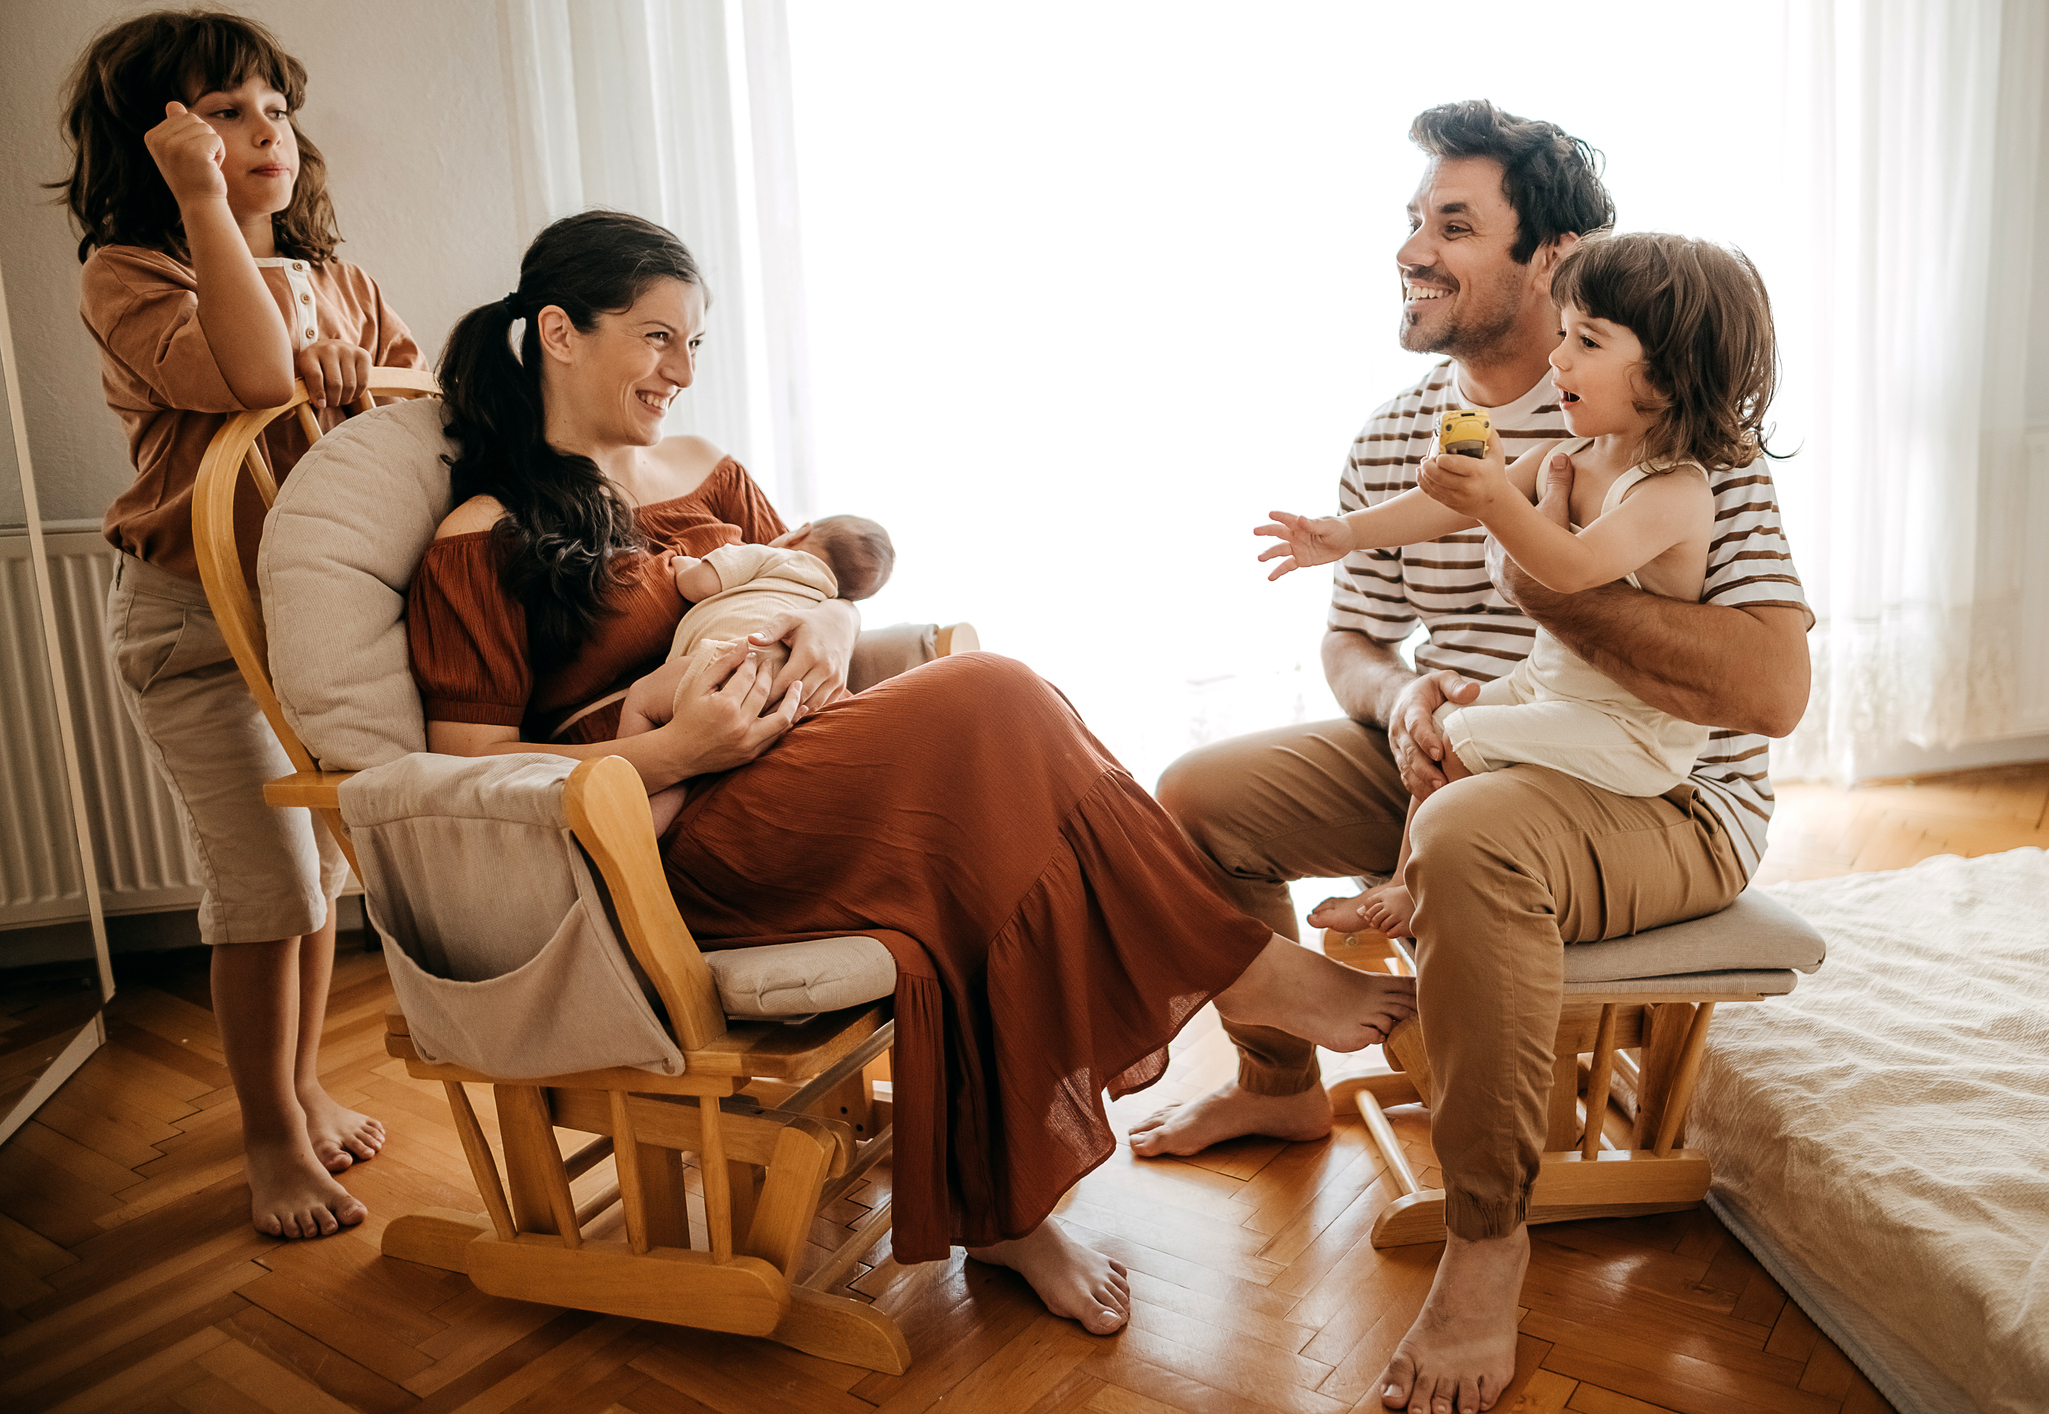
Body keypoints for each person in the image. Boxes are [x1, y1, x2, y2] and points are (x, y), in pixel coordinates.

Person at [404, 209, 1418, 1336]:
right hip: (672, 836)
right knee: (993, 699)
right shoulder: (485, 534)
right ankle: (1233, 976)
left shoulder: (708, 474)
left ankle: (1010, 1206)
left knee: (986, 768)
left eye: (693, 343)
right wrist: (676, 748)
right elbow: (469, 780)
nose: (680, 372)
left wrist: (829, 638)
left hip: (799, 766)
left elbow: (814, 596)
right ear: (556, 331)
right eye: (655, 338)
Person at [1132, 101, 1811, 1413]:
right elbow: (1357, 642)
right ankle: (1278, 1086)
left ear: (1551, 256)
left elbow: (1772, 690)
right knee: (1197, 795)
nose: (1413, 249)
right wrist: (1399, 702)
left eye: (1455, 225)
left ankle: (1486, 1242)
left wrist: (1545, 587)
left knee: (1464, 834)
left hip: (1659, 789)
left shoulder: (1690, 450)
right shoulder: (1404, 428)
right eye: (1411, 220)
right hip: (1474, 739)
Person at [57, 10, 420, 1241]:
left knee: (316, 879)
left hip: (309, 625)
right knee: (261, 882)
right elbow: (257, 376)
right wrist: (209, 210)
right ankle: (267, 1134)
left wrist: (359, 373)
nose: (262, 130)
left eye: (273, 107)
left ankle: (304, 1081)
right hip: (192, 624)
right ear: (157, 146)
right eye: (222, 114)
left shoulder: (345, 281)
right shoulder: (133, 272)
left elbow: (415, 412)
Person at [1256, 231, 1779, 939]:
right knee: (1443, 730)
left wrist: (1497, 500)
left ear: (1664, 377)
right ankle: (1406, 882)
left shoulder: (1675, 490)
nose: (1557, 355)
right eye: (1563, 332)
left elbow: (1570, 572)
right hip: (1553, 688)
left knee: (1463, 733)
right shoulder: (1573, 453)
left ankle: (1412, 893)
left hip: (1633, 730)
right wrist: (1347, 533)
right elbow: (1453, 505)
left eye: (1587, 342)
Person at [613, 514, 894, 831]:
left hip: (728, 662)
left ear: (798, 534)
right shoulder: (823, 601)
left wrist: (682, 563)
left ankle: (629, 809)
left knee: (646, 702)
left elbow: (697, 584)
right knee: (693, 764)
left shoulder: (770, 555)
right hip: (788, 694)